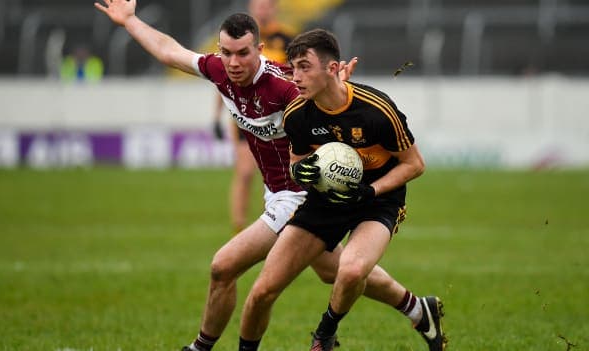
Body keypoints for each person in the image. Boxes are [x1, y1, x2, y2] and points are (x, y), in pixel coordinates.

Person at [94, 2, 437, 351]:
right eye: (226, 53)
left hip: (300, 194)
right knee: (338, 271)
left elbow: (326, 95)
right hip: (276, 190)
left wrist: (336, 82)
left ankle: (201, 346)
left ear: (259, 49)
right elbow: (171, 52)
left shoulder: (286, 86)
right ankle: (416, 308)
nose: (234, 62)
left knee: (224, 267)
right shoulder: (219, 71)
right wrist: (130, 21)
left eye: (243, 53)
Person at [238, 29, 447, 351]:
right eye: (293, 68)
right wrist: (302, 171)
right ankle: (420, 310)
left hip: (378, 201)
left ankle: (325, 333)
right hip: (325, 201)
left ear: (332, 68)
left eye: (305, 66)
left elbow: (414, 165)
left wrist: (370, 192)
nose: (296, 76)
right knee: (262, 291)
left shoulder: (376, 109)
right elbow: (297, 161)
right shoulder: (297, 115)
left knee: (350, 270)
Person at [212, 0, 296, 234]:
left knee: (276, 176)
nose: (262, 10)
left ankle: (273, 225)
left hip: (277, 119)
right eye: (258, 5)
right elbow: (225, 82)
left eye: (267, 5)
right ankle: (238, 228)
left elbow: (298, 76)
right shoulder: (238, 40)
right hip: (245, 116)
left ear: (275, 8)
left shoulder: (288, 39)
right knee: (246, 172)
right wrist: (216, 116)